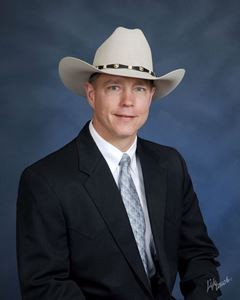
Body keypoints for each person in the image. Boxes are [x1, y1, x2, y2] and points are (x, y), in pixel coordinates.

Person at [17, 27, 221, 300]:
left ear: (150, 97)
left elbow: (199, 254)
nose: (128, 102)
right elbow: (44, 287)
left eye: (139, 88)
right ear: (91, 94)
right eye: (114, 87)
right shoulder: (45, 181)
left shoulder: (170, 164)